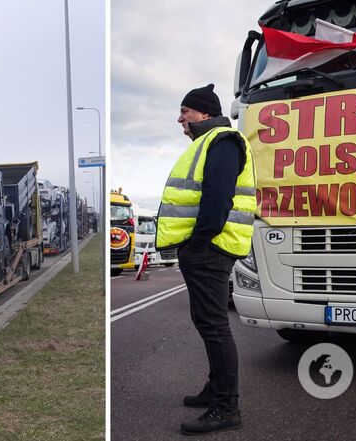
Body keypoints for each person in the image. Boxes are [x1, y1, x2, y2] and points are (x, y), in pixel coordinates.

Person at [155, 84, 256, 435]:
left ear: (205, 113)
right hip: (209, 249)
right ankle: (216, 389)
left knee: (214, 326)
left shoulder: (223, 141)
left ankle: (226, 407)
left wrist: (197, 245)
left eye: (185, 111)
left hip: (211, 250)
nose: (180, 119)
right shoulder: (211, 142)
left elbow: (217, 199)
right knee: (206, 322)